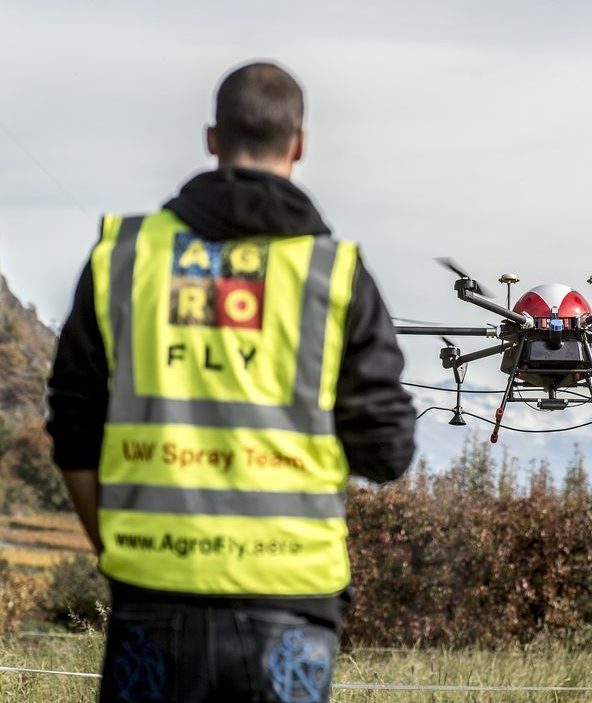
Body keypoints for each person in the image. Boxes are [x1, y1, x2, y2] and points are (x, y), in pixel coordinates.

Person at [47, 61, 416, 702]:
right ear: (299, 144)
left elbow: (72, 430)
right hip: (292, 602)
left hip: (150, 592)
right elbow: (386, 453)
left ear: (212, 139)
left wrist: (117, 548)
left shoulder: (124, 258)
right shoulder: (335, 276)